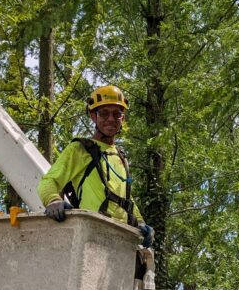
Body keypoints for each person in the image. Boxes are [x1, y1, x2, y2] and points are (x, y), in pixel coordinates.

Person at [38, 84, 154, 248]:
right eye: (104, 113)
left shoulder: (120, 156)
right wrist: (53, 200)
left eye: (117, 114)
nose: (111, 119)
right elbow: (48, 181)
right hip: (93, 237)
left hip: (123, 240)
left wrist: (140, 221)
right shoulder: (80, 149)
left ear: (123, 118)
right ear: (93, 116)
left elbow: (126, 198)